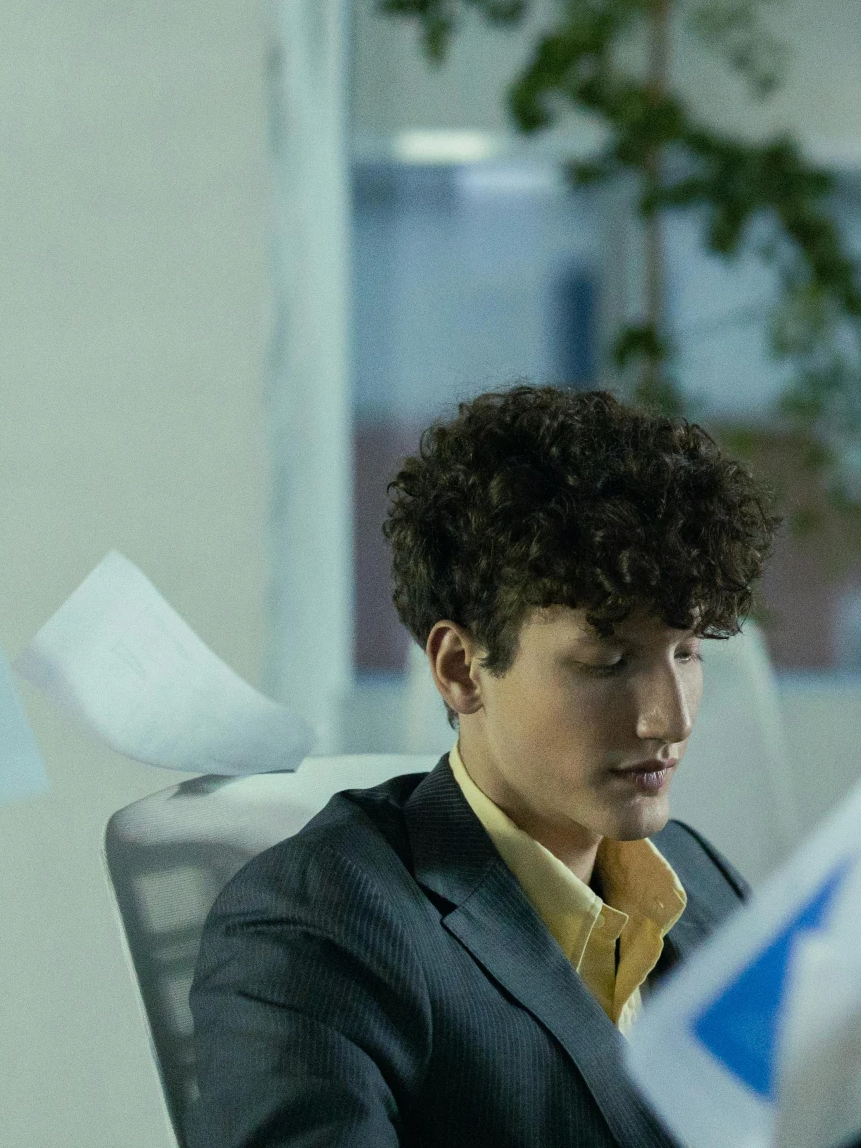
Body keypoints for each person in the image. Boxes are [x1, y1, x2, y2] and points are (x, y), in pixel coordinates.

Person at [188, 385, 776, 1148]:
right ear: (462, 668)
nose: (671, 716)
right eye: (606, 661)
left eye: (687, 651)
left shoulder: (699, 881)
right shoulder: (318, 924)